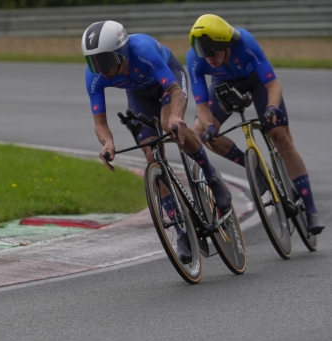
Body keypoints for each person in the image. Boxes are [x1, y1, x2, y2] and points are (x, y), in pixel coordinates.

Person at [82, 20, 233, 263]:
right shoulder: (95, 76)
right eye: (93, 61)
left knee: (169, 126)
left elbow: (175, 92)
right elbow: (100, 122)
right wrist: (108, 142)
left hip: (168, 81)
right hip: (139, 94)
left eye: (105, 60)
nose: (100, 68)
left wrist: (175, 116)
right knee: (152, 155)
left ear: (121, 53)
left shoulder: (142, 51)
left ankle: (211, 175)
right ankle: (182, 230)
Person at [187, 14, 325, 235]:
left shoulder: (245, 43)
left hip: (257, 83)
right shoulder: (195, 58)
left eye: (213, 52)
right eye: (204, 54)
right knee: (201, 130)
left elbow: (273, 84)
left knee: (280, 136)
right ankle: (255, 170)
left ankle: (310, 210)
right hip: (224, 85)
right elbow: (201, 105)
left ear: (226, 45)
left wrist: (272, 107)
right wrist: (210, 127)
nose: (209, 58)